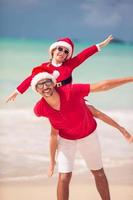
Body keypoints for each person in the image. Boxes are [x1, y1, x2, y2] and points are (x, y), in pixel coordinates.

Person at [31, 68, 133, 200]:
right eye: (40, 84)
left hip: (88, 135)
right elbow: (53, 133)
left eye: (47, 82)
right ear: (37, 90)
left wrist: (131, 79)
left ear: (54, 83)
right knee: (64, 177)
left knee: (98, 173)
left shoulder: (71, 91)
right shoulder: (40, 109)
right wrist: (52, 161)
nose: (45, 86)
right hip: (66, 140)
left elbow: (103, 85)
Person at [6, 35, 113, 102]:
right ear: (53, 50)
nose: (62, 52)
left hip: (69, 96)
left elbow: (84, 55)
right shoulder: (44, 67)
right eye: (60, 49)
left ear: (67, 56)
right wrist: (16, 92)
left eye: (66, 51)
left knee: (94, 111)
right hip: (53, 98)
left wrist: (101, 45)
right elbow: (30, 79)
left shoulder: (70, 64)